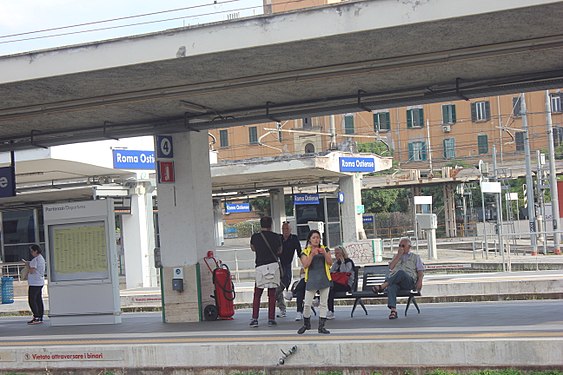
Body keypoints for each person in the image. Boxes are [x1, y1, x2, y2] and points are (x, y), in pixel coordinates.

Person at [372, 237, 424, 320]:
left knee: (401, 273)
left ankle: (382, 286)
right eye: (399, 245)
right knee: (392, 286)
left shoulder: (415, 257)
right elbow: (391, 267)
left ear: (409, 247)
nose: (401, 248)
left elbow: (420, 271)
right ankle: (393, 311)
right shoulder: (396, 256)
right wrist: (399, 255)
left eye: (403, 246)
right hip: (396, 282)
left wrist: (420, 281)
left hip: (408, 281)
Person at [297, 229, 332, 335]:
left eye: (318, 237)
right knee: (307, 303)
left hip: (324, 278)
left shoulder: (325, 249)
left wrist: (325, 253)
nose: (316, 240)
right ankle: (306, 323)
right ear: (309, 240)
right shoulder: (305, 252)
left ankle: (321, 326)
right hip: (311, 280)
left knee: (323, 303)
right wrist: (312, 254)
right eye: (314, 238)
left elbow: (330, 262)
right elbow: (305, 264)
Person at [249, 216, 282, 328]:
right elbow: (280, 250)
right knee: (272, 294)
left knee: (257, 294)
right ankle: (271, 319)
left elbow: (253, 248)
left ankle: (255, 319)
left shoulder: (255, 237)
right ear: (271, 225)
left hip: (260, 267)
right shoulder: (276, 236)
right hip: (273, 266)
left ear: (261, 225)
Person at [276, 221, 302, 318]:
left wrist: (304, 266)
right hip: (278, 265)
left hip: (287, 265)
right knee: (276, 288)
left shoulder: (294, 238)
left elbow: (300, 253)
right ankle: (282, 309)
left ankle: (287, 296)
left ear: (290, 230)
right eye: (283, 229)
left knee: (282, 285)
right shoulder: (279, 238)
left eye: (287, 229)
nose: (285, 231)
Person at [327, 245, 355, 320]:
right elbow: (331, 272)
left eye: (338, 253)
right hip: (335, 284)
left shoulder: (348, 262)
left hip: (346, 284)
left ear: (343, 253)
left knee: (329, 288)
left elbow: (344, 272)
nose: (336, 255)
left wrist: (342, 262)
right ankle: (330, 311)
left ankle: (321, 302)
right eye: (335, 254)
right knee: (330, 289)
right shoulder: (336, 263)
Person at [26, 244, 46, 325]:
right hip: (40, 282)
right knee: (38, 300)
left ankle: (36, 317)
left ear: (36, 251)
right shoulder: (41, 258)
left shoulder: (36, 260)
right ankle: (40, 316)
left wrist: (27, 265)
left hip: (34, 283)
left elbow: (32, 271)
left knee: (32, 300)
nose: (31, 253)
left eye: (32, 251)